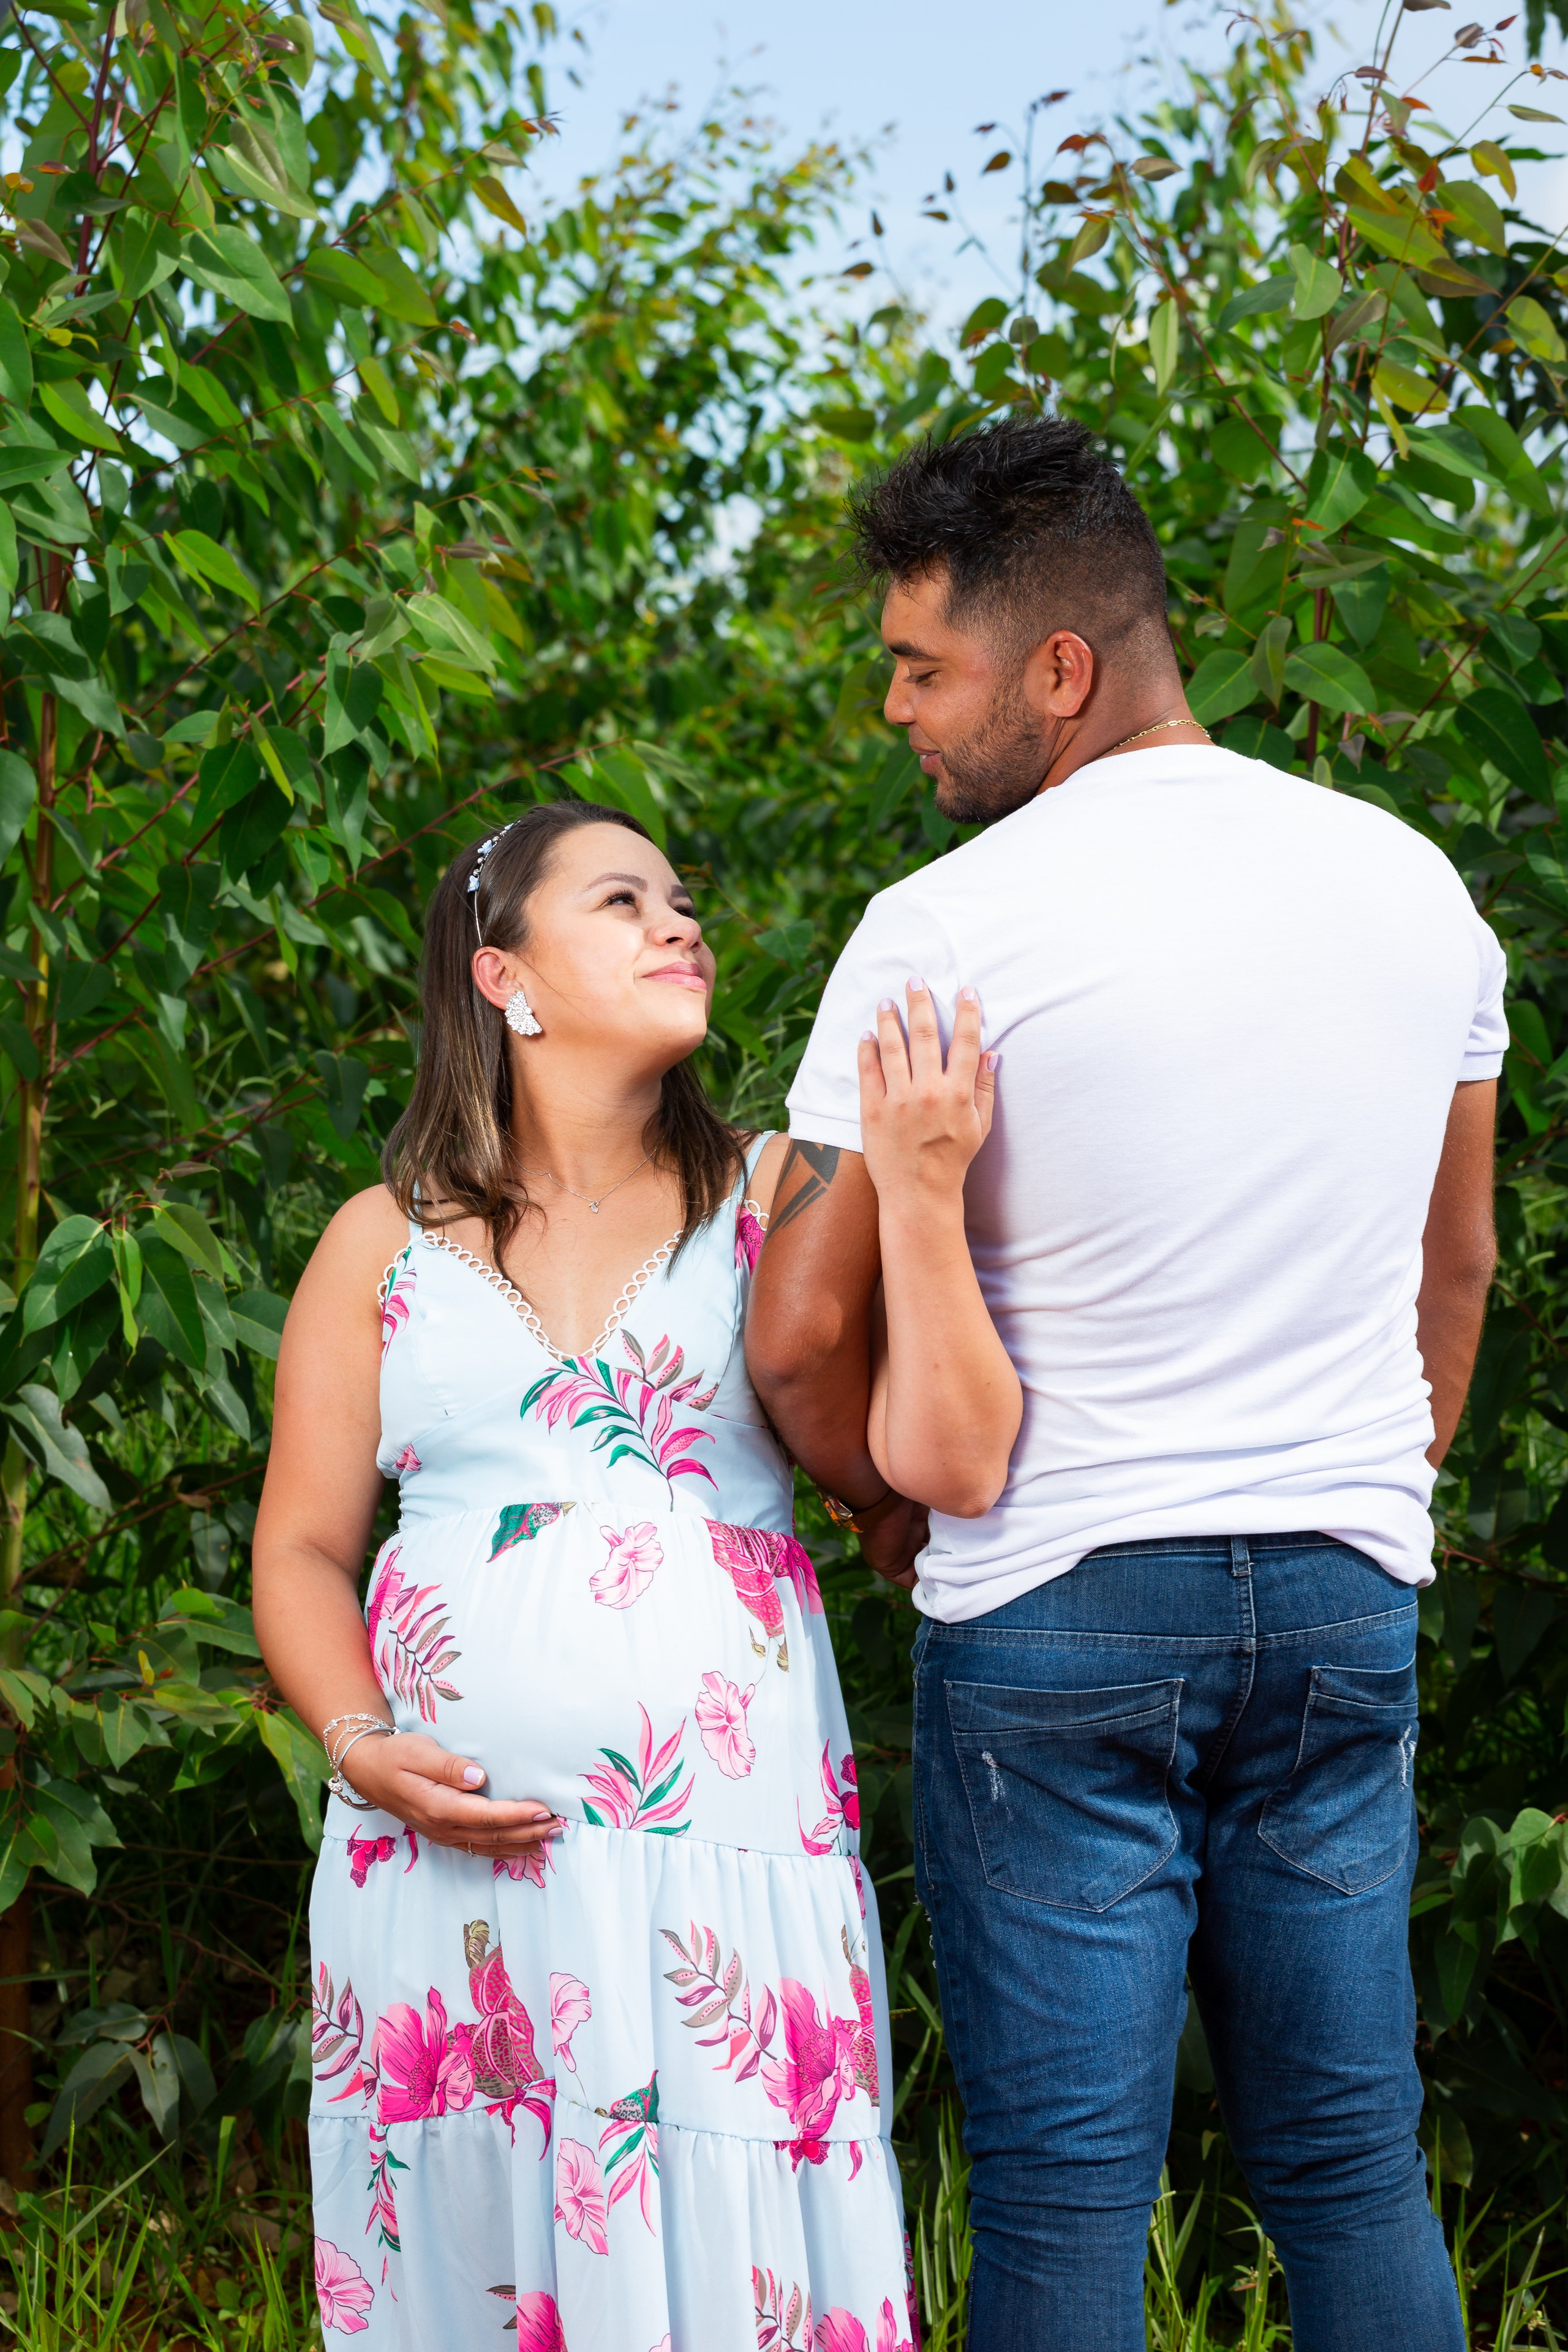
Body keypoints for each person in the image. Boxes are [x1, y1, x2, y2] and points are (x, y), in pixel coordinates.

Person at [746, 416, 1502, 2352]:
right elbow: (1459, 1262)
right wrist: (1370, 1486)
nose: (898, 708)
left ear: (1058, 673)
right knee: (1348, 2158)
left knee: (1071, 2187)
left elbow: (798, 1333)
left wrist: (877, 1503)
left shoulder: (950, 927)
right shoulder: (1414, 884)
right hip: (1345, 1593)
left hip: (1060, 1601)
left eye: (925, 668)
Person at [253, 796, 1005, 2350]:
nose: (679, 924)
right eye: (619, 902)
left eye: (680, 899)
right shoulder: (373, 1242)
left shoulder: (784, 1201)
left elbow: (904, 1478)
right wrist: (359, 1746)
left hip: (720, 1879)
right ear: (503, 979)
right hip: (451, 1884)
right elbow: (305, 1547)